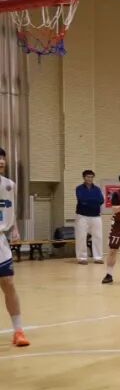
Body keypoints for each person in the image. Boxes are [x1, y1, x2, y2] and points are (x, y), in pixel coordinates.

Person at [0, 148, 29, 347]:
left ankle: (18, 330)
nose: (1, 161)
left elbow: (9, 210)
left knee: (8, 283)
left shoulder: (9, 185)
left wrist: (15, 228)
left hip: (0, 240)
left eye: (3, 158)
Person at [74, 169, 105, 265]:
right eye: (88, 177)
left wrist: (89, 201)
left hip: (96, 216)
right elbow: (81, 199)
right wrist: (93, 201)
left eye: (91, 177)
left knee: (98, 236)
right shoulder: (79, 188)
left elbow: (101, 200)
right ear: (84, 177)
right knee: (81, 237)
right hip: (82, 216)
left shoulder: (97, 189)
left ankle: (98, 257)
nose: (90, 179)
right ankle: (82, 258)